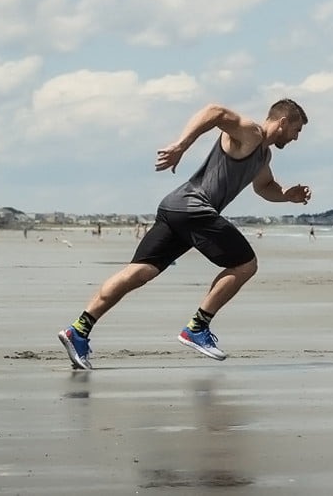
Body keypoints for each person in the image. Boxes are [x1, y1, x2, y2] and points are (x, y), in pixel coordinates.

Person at [57, 99, 311, 369]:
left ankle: (78, 330)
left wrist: (286, 196)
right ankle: (197, 328)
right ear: (283, 122)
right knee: (246, 264)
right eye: (297, 130)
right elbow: (215, 111)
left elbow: (264, 186)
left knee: (139, 272)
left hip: (175, 207)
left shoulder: (262, 155)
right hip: (194, 209)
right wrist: (181, 145)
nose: (296, 137)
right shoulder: (250, 133)